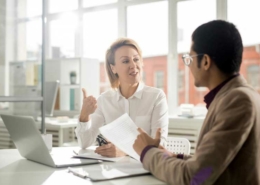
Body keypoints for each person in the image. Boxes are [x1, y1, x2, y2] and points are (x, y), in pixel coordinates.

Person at [133, 20, 260, 184]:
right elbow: (212, 164)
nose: (189, 66)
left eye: (190, 58)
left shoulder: (237, 101)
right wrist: (170, 156)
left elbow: (195, 177)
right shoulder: (237, 95)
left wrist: (147, 152)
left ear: (205, 61)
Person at [75, 38, 168, 157]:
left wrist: (124, 152)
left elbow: (160, 145)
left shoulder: (156, 97)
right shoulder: (104, 100)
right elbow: (84, 143)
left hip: (143, 170)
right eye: (125, 61)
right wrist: (84, 115)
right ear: (113, 68)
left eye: (136, 59)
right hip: (112, 171)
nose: (133, 65)